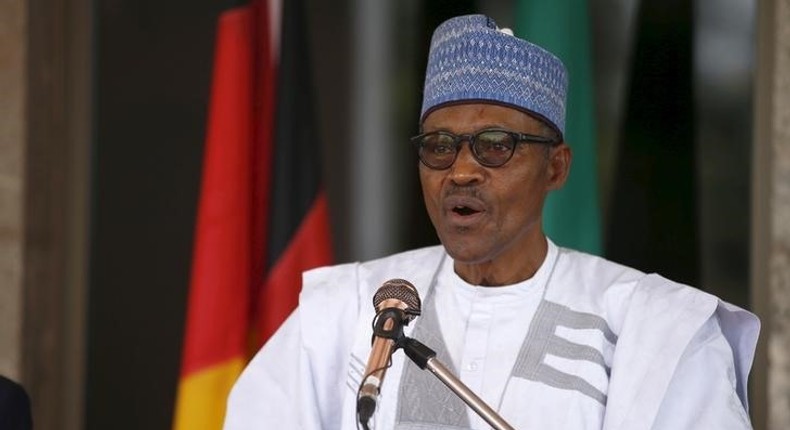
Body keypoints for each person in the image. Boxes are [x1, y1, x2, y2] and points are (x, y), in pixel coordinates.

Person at [224, 14, 759, 429]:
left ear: (556, 167)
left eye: (495, 146)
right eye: (439, 146)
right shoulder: (347, 307)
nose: (461, 172)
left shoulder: (653, 326)